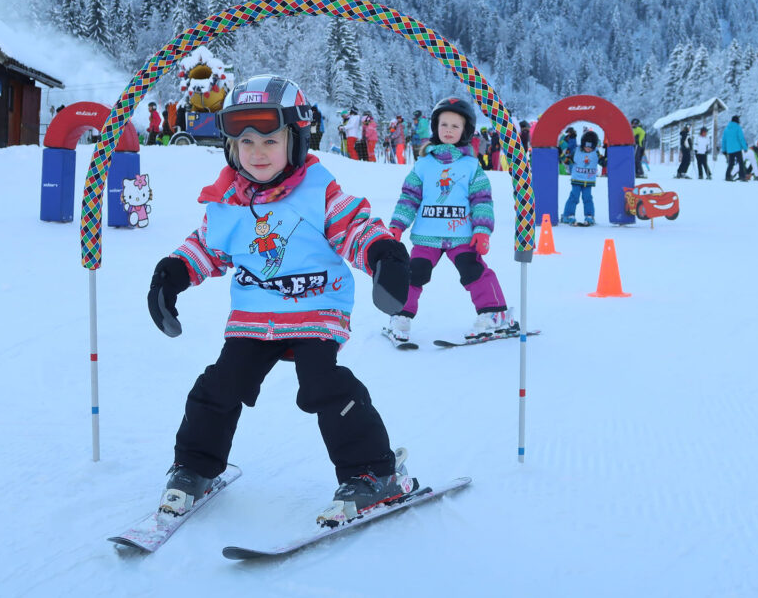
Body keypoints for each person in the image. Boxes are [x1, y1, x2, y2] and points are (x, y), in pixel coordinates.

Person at [146, 74, 416, 527]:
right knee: (220, 385)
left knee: (323, 386)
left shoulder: (318, 192)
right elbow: (206, 248)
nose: (257, 152)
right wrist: (171, 275)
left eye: (270, 140)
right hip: (254, 315)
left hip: (315, 309)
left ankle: (374, 472)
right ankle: (195, 466)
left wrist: (382, 254)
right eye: (246, 141)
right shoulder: (228, 203)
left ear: (296, 140)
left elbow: (354, 228)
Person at [385, 97, 517, 343]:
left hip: (462, 236)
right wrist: (397, 225)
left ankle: (494, 313)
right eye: (444, 124)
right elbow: (409, 197)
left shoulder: (471, 166)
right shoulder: (423, 165)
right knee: (414, 273)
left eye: (455, 126)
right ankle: (400, 316)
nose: (448, 130)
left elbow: (482, 200)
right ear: (435, 127)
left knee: (473, 270)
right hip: (428, 235)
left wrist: (482, 230)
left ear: (465, 131)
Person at [560, 129, 600, 226]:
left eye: (590, 147)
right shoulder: (576, 151)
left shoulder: (596, 153)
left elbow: (602, 160)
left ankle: (589, 216)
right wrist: (564, 158)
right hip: (577, 179)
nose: (588, 149)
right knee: (574, 197)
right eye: (586, 146)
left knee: (588, 198)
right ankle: (568, 215)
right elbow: (566, 158)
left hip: (588, 181)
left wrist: (606, 160)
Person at [721, 115, 748, 181]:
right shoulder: (738, 128)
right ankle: (742, 176)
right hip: (737, 148)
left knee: (731, 163)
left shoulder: (726, 129)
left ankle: (727, 176)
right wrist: (745, 147)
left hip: (729, 149)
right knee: (741, 163)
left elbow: (724, 140)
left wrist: (724, 149)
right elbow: (741, 138)